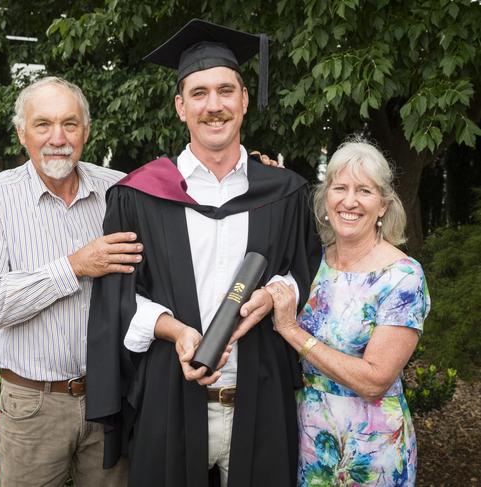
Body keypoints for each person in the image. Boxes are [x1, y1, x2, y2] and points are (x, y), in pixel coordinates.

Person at [86, 19, 322, 487]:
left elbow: (305, 271)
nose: (214, 106)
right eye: (199, 93)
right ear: (180, 107)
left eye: (226, 91)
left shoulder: (286, 191)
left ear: (244, 100)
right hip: (171, 398)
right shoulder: (139, 194)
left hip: (262, 395)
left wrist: (276, 293)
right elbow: (118, 296)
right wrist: (174, 331)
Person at [0, 76, 140, 486]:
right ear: (22, 133)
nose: (57, 137)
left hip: (110, 399)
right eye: (43, 124)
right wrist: (73, 267)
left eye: (70, 124)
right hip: (33, 406)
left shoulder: (120, 190)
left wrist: (253, 170)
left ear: (86, 131)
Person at [266, 139, 430, 486]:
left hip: (371, 449)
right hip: (306, 437)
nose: (350, 201)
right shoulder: (314, 262)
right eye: (339, 187)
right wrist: (267, 175)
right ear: (326, 199)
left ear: (383, 205)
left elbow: (374, 381)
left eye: (364, 191)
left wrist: (292, 330)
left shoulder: (402, 276)